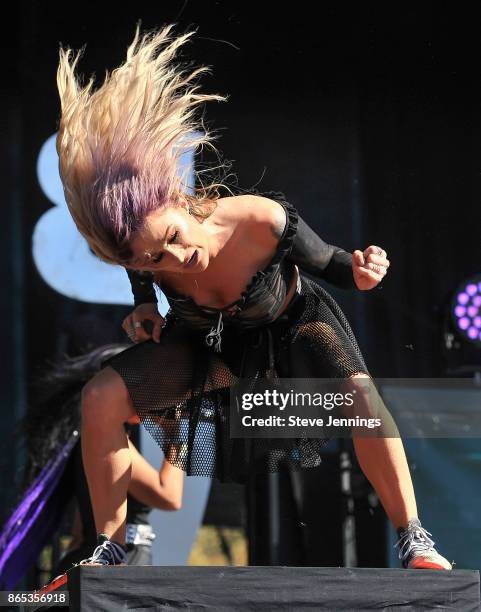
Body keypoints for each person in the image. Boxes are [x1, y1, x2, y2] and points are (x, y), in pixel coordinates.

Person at [51, 22, 452, 576]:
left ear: (177, 199)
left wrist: (361, 272)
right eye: (151, 261)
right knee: (100, 398)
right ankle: (110, 546)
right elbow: (143, 271)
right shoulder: (145, 258)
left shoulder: (259, 220)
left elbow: (332, 262)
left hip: (291, 325)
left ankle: (415, 540)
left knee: (362, 399)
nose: (173, 259)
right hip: (209, 342)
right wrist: (145, 302)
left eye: (171, 240)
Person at [0, 345, 184, 590]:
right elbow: (168, 496)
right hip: (121, 558)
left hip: (96, 557)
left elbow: (81, 523)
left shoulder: (88, 441)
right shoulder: (114, 443)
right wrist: (178, 439)